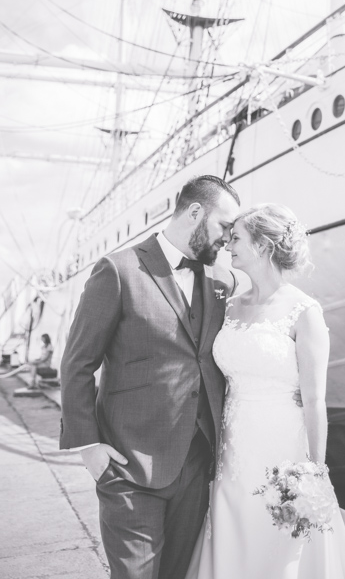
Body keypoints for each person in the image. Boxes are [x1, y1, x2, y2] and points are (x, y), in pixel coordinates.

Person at [59, 175, 241, 579]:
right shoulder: (118, 270)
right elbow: (77, 364)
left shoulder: (221, 281)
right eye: (224, 226)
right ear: (195, 212)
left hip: (196, 464)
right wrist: (90, 448)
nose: (228, 238)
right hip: (128, 466)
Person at [185, 203, 345, 579]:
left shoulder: (304, 311)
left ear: (263, 245)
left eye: (236, 238)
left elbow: (314, 400)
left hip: (282, 447)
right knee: (234, 533)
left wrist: (315, 471)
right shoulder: (228, 308)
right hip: (231, 447)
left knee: (280, 544)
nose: (227, 245)